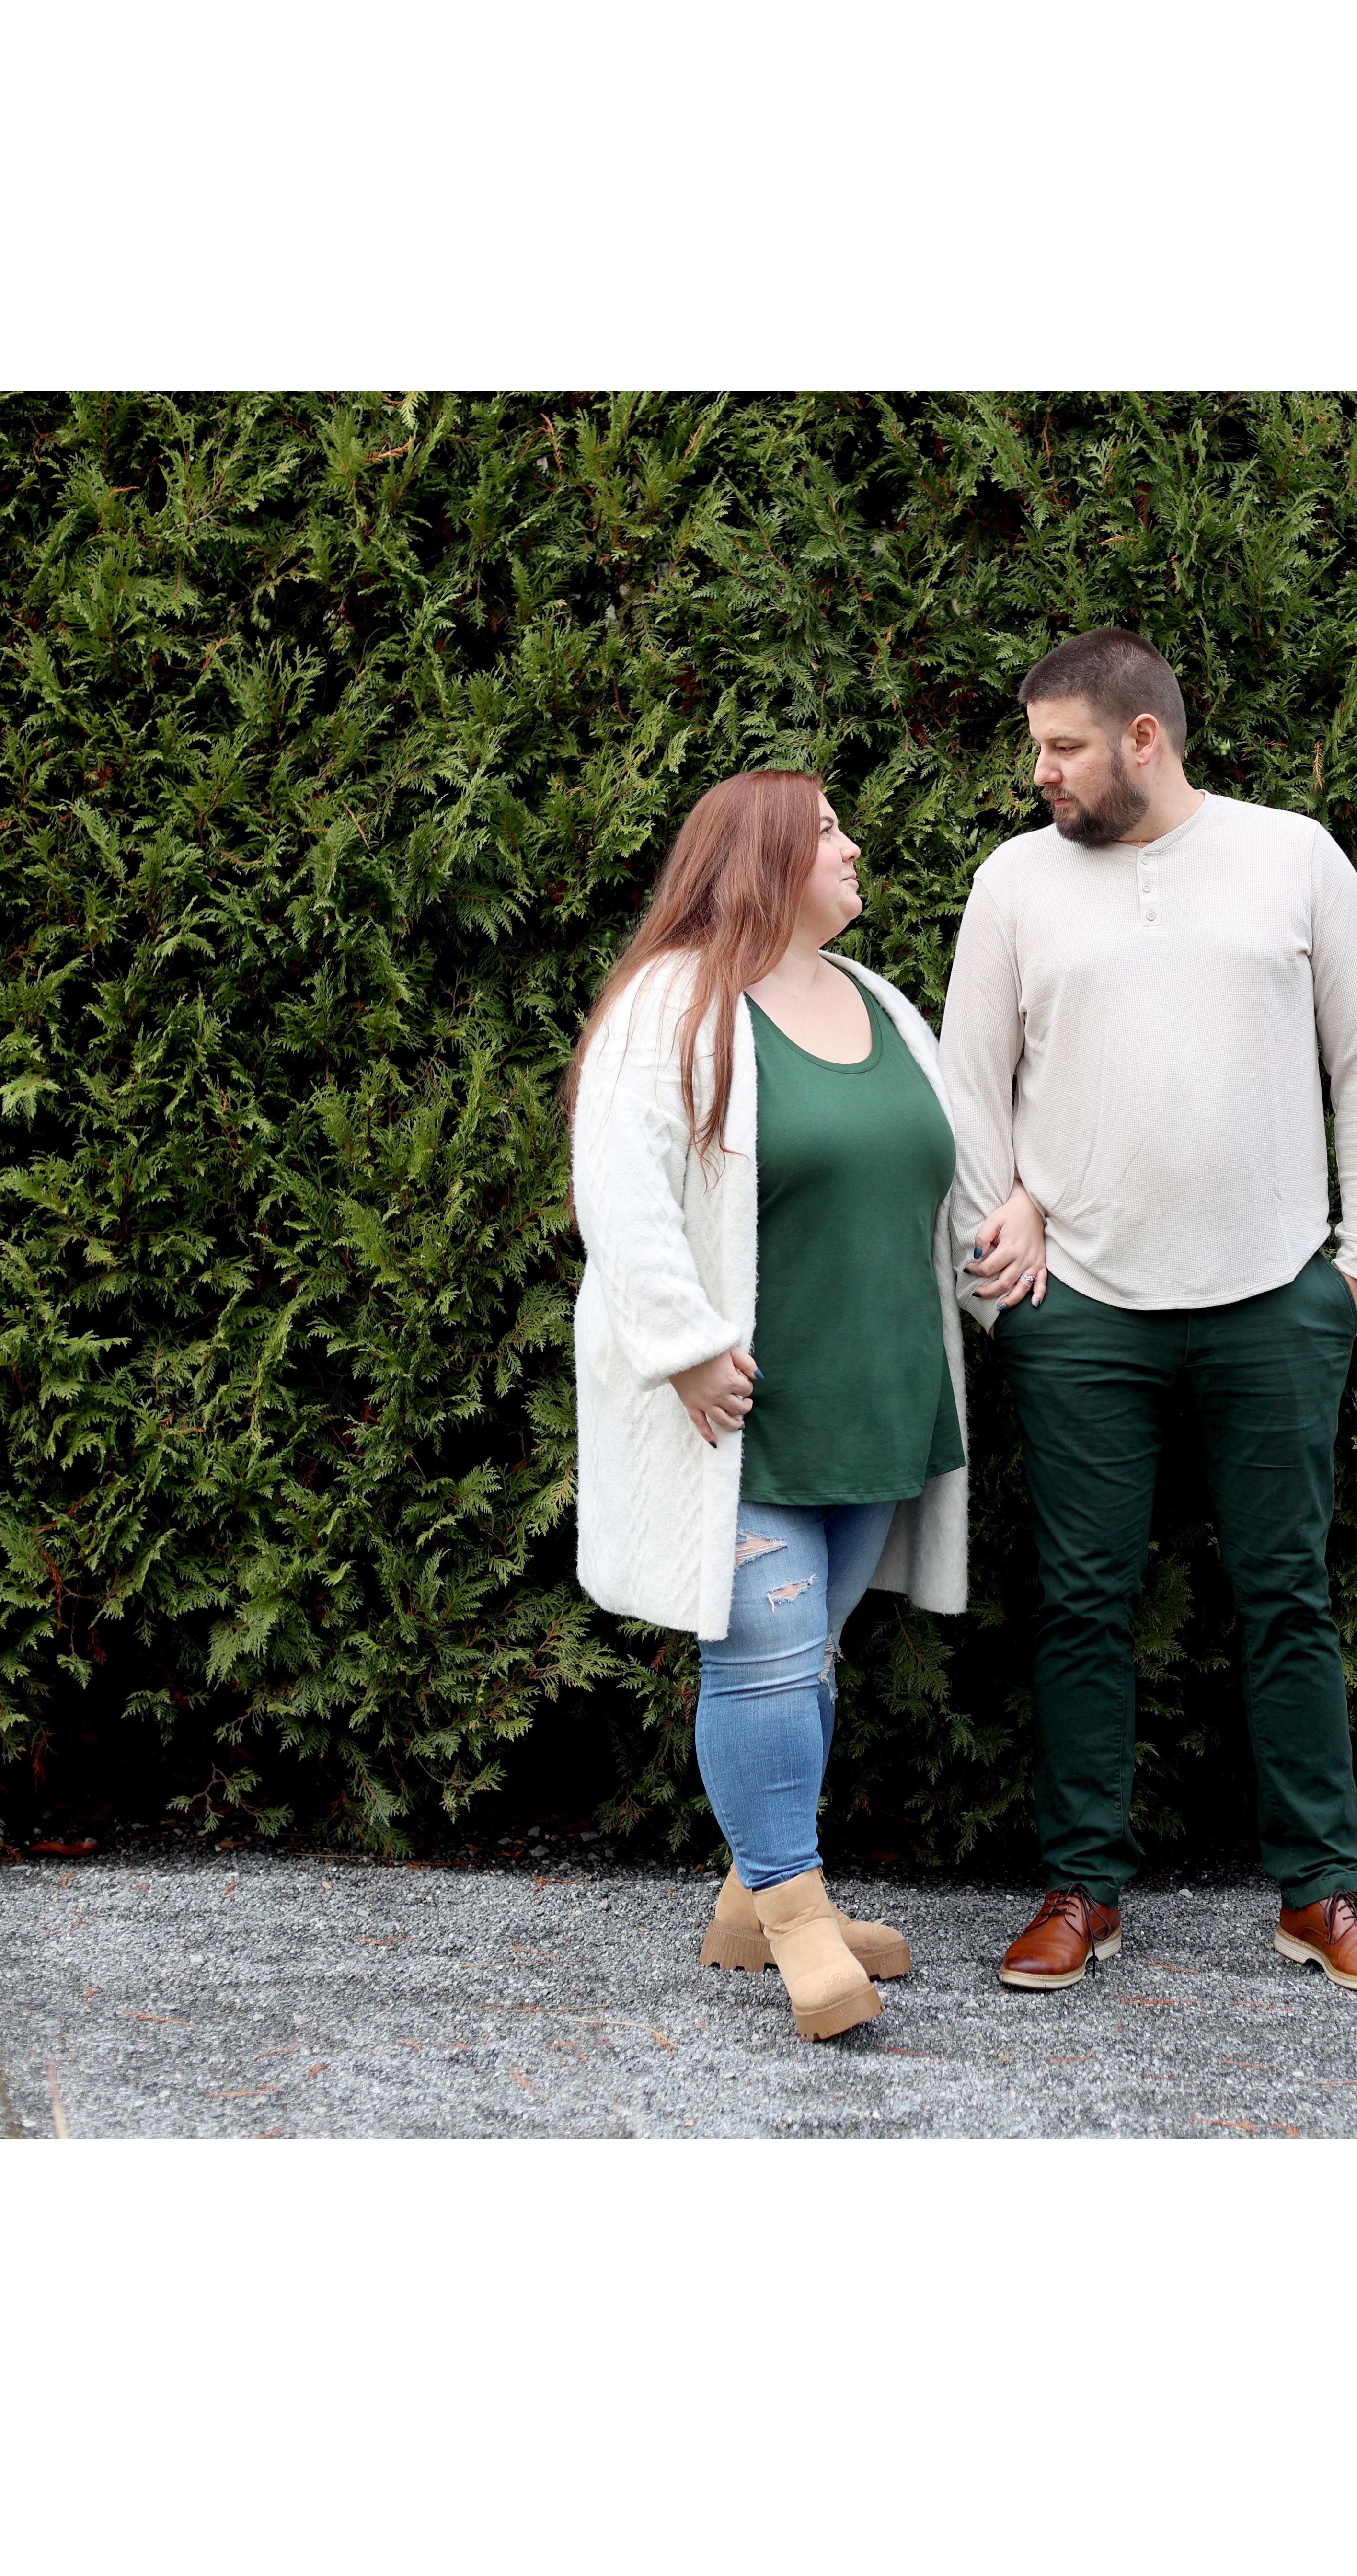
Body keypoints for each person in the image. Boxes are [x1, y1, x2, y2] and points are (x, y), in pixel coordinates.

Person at [940, 629, 1357, 1996]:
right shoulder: (1015, 882)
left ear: (1142, 737)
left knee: (1289, 1600)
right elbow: (971, 1088)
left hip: (1276, 1298)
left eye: (1063, 747)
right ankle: (1080, 1889)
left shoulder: (1294, 857)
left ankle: (1322, 1894)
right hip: (1081, 1309)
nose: (1041, 772)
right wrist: (1005, 1283)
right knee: (1083, 1606)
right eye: (1038, 748)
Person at [567, 768, 973, 2041]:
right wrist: (684, 1347)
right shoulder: (674, 1002)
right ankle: (800, 1922)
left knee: (809, 1654)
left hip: (876, 1400)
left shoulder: (881, 1003)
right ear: (762, 860)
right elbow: (618, 1185)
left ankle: (752, 1903)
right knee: (766, 1653)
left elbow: (946, 1174)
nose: (852, 847)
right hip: (741, 1413)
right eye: (827, 830)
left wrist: (1011, 1243)